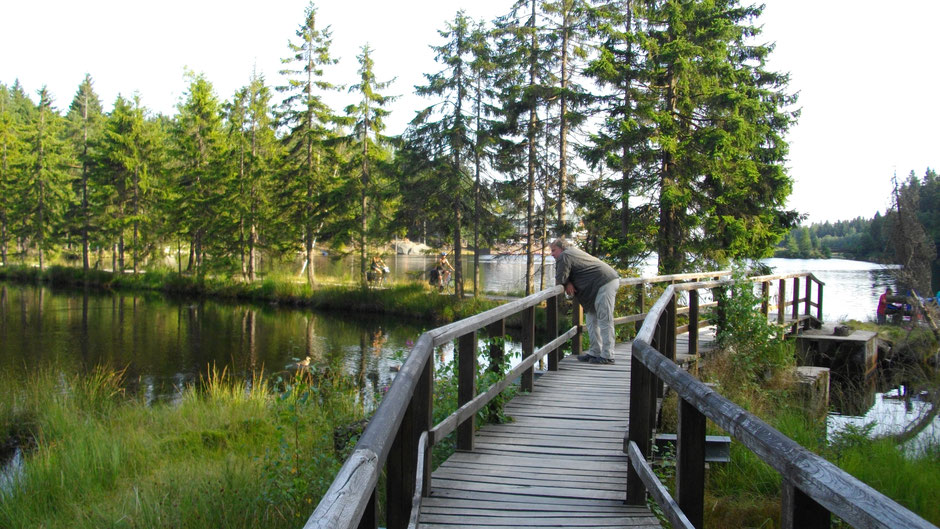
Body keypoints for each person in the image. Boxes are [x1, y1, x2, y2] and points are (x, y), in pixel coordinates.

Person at [550, 237, 620, 365]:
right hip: (597, 286)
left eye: (554, 250)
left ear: (561, 248)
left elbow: (560, 278)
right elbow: (566, 276)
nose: (552, 254)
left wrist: (565, 282)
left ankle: (608, 355)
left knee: (604, 319)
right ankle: (595, 351)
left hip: (604, 282)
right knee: (591, 319)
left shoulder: (565, 255)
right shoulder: (571, 253)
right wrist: (568, 282)